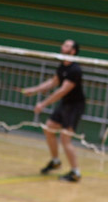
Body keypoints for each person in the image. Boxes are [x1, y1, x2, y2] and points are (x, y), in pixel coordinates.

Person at [21, 39, 86, 182]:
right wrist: (34, 90)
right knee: (49, 128)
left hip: (74, 107)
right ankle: (56, 161)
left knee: (65, 138)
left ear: (73, 51)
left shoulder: (75, 70)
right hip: (65, 104)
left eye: (67, 46)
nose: (63, 47)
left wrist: (43, 104)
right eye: (63, 45)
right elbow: (53, 82)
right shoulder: (62, 66)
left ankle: (75, 172)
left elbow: (61, 91)